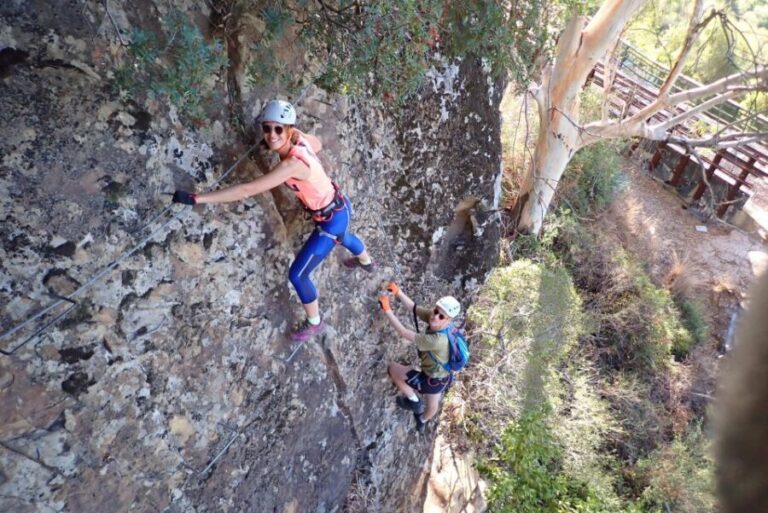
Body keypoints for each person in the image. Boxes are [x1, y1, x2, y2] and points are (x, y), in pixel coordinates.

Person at [172, 99, 374, 341]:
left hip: (330, 220)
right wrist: (295, 134)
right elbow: (317, 144)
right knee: (344, 237)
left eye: (278, 129)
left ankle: (315, 322)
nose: (271, 134)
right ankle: (366, 261)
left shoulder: (291, 165)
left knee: (298, 276)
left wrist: (198, 198)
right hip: (340, 206)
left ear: (288, 129)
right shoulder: (300, 140)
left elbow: (247, 190)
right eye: (267, 128)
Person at [379, 281, 461, 432]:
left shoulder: (437, 340)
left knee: (393, 369)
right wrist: (398, 292)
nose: (435, 316)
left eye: (441, 316)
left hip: (431, 380)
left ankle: (414, 403)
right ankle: (422, 420)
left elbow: (404, 332)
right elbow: (414, 308)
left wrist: (387, 309)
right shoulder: (442, 324)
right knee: (432, 404)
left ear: (448, 320)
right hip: (442, 377)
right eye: (436, 310)